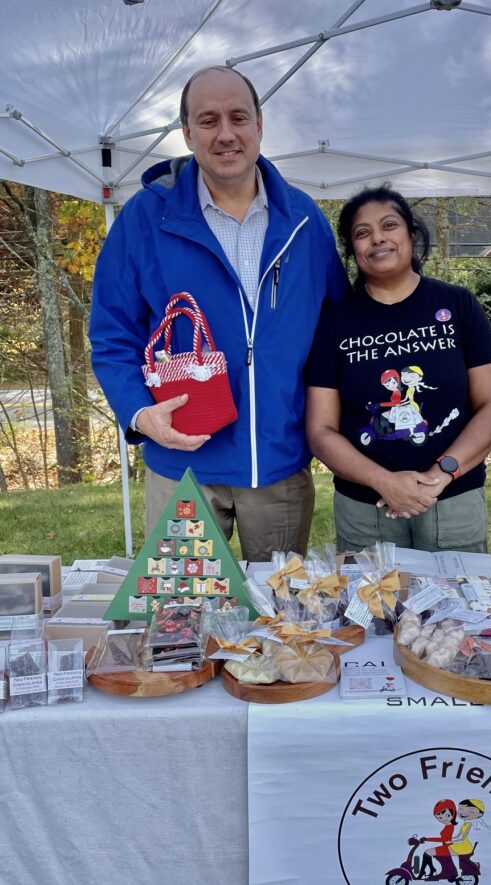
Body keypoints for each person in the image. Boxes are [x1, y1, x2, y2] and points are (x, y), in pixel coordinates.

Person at [90, 66, 348, 561]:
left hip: (278, 466)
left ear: (259, 124)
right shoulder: (145, 219)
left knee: (278, 621)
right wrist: (140, 414)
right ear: (187, 132)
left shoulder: (304, 220)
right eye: (208, 120)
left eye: (238, 117)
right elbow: (111, 334)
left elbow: (336, 333)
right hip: (181, 467)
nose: (226, 134)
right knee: (181, 618)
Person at [305, 185, 491, 553]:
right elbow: (321, 430)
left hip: (452, 498)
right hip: (365, 508)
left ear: (411, 236)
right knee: (373, 609)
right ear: (353, 250)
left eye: (389, 226)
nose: (377, 239)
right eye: (362, 233)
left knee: (461, 609)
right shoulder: (334, 322)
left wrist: (442, 473)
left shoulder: (458, 304)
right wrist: (384, 481)